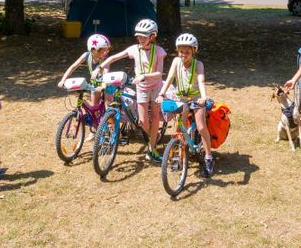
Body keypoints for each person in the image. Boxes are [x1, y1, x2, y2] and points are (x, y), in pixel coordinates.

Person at [92, 19, 167, 163]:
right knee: (143, 121)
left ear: (152, 36)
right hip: (142, 88)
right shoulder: (134, 49)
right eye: (139, 36)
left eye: (144, 36)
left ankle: (152, 149)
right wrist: (99, 68)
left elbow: (159, 74)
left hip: (155, 87)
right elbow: (115, 57)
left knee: (156, 116)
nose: (140, 39)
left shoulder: (159, 51)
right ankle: (153, 136)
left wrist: (144, 76)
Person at [158, 33, 215, 177]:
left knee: (201, 127)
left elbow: (201, 81)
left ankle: (208, 157)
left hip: (196, 99)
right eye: (181, 51)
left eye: (187, 52)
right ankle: (181, 154)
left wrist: (203, 97)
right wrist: (161, 94)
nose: (184, 55)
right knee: (181, 128)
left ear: (193, 51)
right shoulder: (176, 62)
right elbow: (170, 78)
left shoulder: (198, 65)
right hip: (181, 99)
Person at [58, 34, 112, 140]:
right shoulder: (86, 56)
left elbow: (106, 72)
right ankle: (94, 129)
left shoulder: (106, 59)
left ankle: (113, 128)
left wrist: (103, 85)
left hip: (106, 84)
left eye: (107, 50)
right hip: (95, 85)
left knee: (109, 106)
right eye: (103, 50)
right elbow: (73, 66)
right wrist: (63, 79)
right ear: (93, 50)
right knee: (94, 108)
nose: (106, 53)